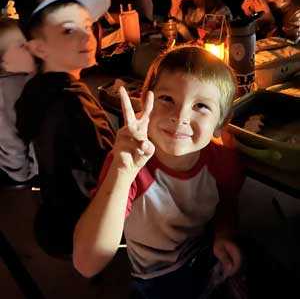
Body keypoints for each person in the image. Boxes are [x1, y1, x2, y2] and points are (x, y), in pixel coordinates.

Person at [73, 45, 244, 298]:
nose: (180, 116)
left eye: (201, 106)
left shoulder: (225, 162)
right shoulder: (130, 165)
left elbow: (226, 205)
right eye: (167, 99)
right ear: (145, 102)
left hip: (204, 252)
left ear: (221, 123)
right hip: (154, 276)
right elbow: (87, 264)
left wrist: (224, 234)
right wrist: (122, 171)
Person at [15, 0, 116, 255]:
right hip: (83, 224)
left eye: (86, 25)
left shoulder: (34, 89)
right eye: (68, 30)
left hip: (53, 213)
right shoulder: (74, 101)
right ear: (39, 49)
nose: (87, 37)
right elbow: (113, 171)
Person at [0, 18, 38, 182]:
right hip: (19, 176)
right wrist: (25, 175)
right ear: (4, 62)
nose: (30, 48)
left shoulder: (28, 79)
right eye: (21, 46)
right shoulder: (8, 90)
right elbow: (11, 145)